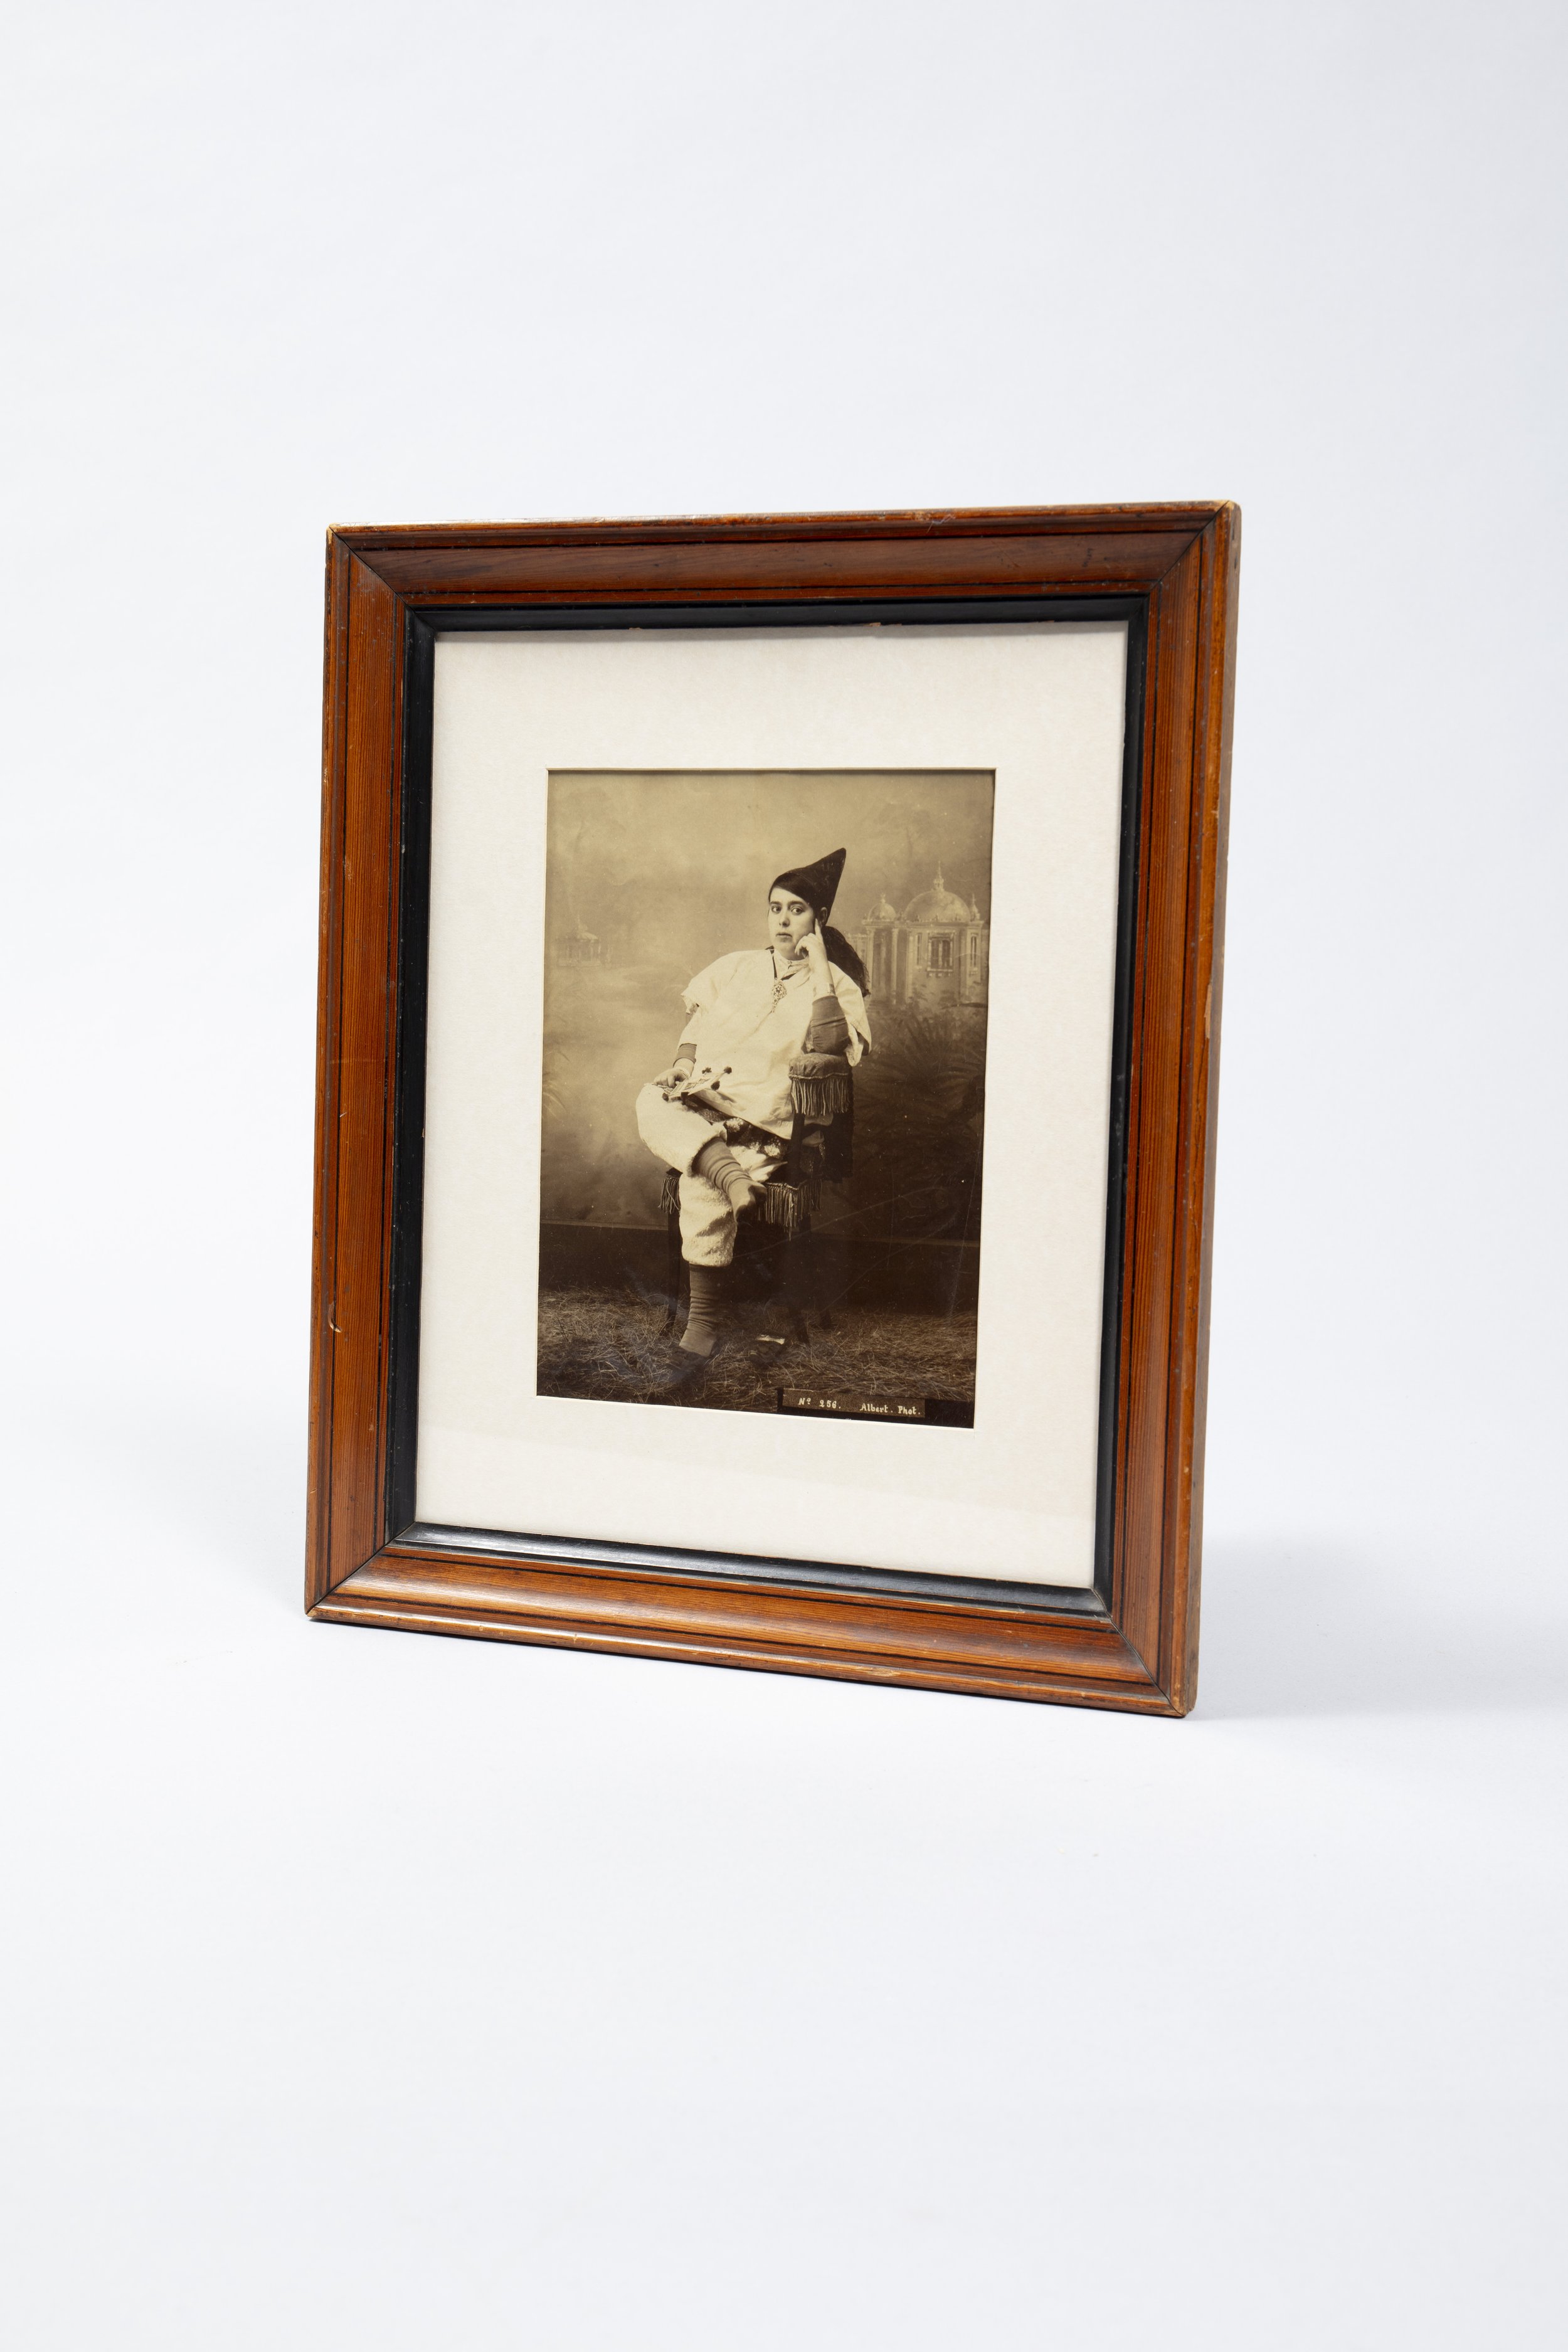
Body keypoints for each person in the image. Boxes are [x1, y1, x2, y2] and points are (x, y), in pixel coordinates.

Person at [635, 847, 871, 1360]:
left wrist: (822, 967)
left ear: (819, 918)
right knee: (649, 1098)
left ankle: (701, 1327)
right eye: (775, 908)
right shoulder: (735, 967)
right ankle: (735, 1181)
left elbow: (832, 1047)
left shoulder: (836, 985)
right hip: (700, 1103)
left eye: (796, 909)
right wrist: (681, 1065)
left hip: (759, 1120)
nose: (783, 919)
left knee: (701, 1179)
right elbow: (696, 1029)